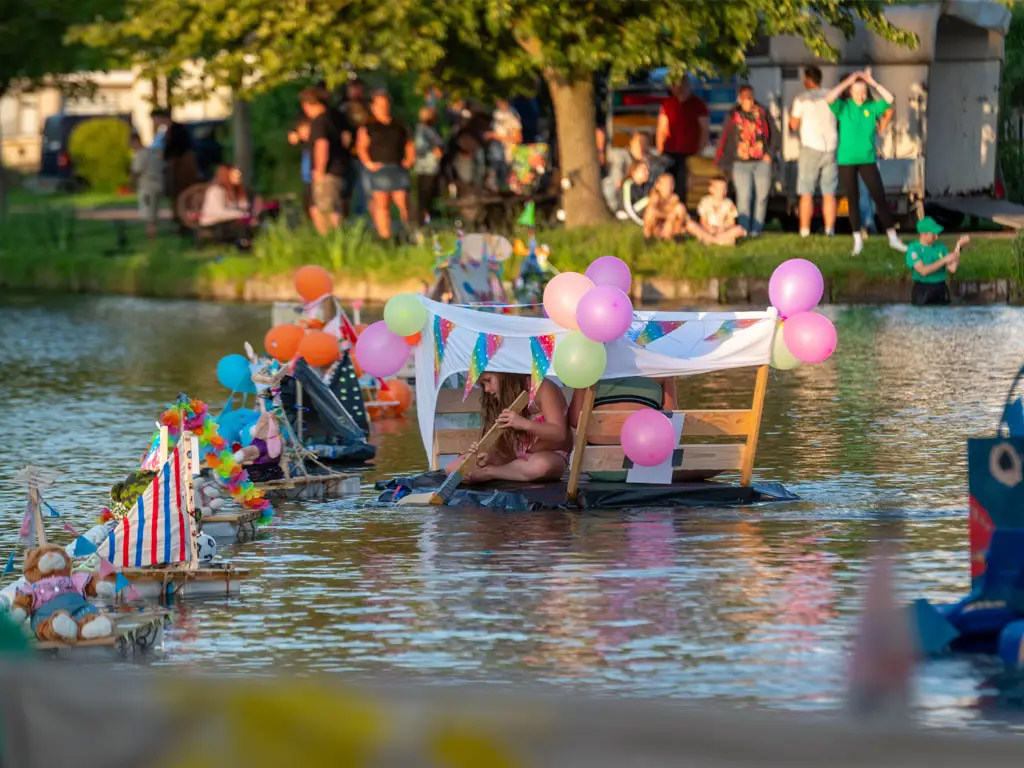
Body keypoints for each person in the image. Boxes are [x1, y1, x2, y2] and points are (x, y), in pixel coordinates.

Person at [826, 69, 907, 255]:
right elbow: (829, 98)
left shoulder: (871, 107)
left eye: (863, 92)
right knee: (852, 200)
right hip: (847, 160)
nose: (861, 96)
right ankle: (857, 240)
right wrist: (849, 82)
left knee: (879, 197)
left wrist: (873, 83)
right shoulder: (844, 108)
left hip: (867, 160)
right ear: (851, 93)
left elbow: (889, 100)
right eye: (857, 92)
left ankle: (893, 238)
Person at [453, 373, 572, 483]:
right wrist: (487, 455)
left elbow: (559, 433)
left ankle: (489, 472)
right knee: (454, 468)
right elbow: (503, 447)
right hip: (513, 456)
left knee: (541, 466)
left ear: (505, 374)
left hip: (549, 454)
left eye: (488, 380)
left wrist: (524, 424)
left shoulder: (543, 387)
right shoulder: (498, 398)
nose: (486, 389)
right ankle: (500, 470)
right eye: (483, 384)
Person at [568, 378, 676, 482]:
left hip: (602, 466)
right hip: (649, 469)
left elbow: (576, 421)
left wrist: (580, 384)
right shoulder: (661, 371)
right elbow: (673, 420)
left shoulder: (592, 372)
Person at [715, 84, 777, 237]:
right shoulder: (733, 115)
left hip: (761, 160)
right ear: (739, 99)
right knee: (744, 197)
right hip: (740, 162)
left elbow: (775, 134)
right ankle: (744, 230)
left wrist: (770, 153)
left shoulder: (762, 113)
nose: (747, 100)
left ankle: (756, 229)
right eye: (744, 97)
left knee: (761, 196)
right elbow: (725, 137)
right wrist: (721, 159)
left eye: (750, 97)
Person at [356, 90, 415, 241]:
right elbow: (361, 147)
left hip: (397, 167)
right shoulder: (368, 126)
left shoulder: (399, 124)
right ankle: (385, 237)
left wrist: (409, 159)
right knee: (381, 204)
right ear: (373, 106)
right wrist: (368, 163)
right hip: (379, 168)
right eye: (379, 105)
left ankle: (410, 233)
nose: (383, 108)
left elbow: (409, 143)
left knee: (404, 201)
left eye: (385, 104)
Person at [789, 66, 838, 238]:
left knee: (806, 191)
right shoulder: (831, 96)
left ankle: (804, 231)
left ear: (808, 80)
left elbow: (793, 125)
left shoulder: (802, 99)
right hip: (831, 147)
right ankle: (829, 230)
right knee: (829, 192)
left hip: (810, 146)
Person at [300, 86, 348, 234]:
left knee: (325, 209)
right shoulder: (332, 119)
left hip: (326, 173)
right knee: (326, 206)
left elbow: (322, 145)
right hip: (338, 170)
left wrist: (319, 169)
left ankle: (330, 241)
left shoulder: (319, 122)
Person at [655, 77, 709, 202]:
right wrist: (660, 149)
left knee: (682, 183)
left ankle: (681, 210)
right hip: (669, 149)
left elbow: (704, 129)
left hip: (689, 151)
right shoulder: (667, 104)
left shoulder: (698, 104)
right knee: (667, 181)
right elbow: (662, 128)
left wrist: (700, 150)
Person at [152, 109, 199, 233]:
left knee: (183, 194)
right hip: (175, 166)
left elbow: (178, 150)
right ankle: (180, 221)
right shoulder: (167, 132)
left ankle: (186, 221)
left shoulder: (177, 130)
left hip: (181, 167)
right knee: (176, 194)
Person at [906, 216, 968, 305]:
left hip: (941, 287)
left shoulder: (941, 247)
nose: (936, 237)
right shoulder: (914, 249)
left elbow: (952, 268)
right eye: (933, 234)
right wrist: (943, 261)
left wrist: (958, 247)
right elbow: (923, 271)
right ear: (924, 234)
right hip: (923, 289)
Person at [198, 164, 255, 248]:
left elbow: (244, 207)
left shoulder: (236, 190)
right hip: (215, 224)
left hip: (229, 222)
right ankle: (243, 244)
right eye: (235, 175)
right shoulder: (215, 191)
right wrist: (240, 214)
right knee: (240, 225)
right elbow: (219, 213)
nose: (239, 177)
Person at [342, 77, 371, 217]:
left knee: (364, 189)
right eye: (353, 89)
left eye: (358, 89)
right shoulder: (343, 108)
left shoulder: (368, 107)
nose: (356, 92)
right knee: (346, 188)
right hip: (348, 154)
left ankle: (362, 216)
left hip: (365, 153)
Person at [414, 106, 444, 225]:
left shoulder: (431, 129)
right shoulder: (422, 130)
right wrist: (434, 149)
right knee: (424, 197)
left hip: (433, 167)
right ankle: (422, 222)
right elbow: (420, 147)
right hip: (425, 168)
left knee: (431, 196)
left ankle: (429, 220)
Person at [130, 133, 163, 239]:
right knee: (154, 212)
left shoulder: (140, 154)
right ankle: (152, 234)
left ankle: (151, 236)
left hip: (147, 187)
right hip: (158, 184)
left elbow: (136, 171)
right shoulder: (152, 153)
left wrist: (131, 183)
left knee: (148, 214)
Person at [697, 176, 747, 246]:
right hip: (709, 229)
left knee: (739, 229)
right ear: (711, 189)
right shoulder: (705, 202)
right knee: (696, 227)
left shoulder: (729, 203)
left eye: (725, 188)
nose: (722, 191)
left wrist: (723, 227)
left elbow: (731, 222)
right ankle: (719, 240)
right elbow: (703, 221)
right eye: (719, 189)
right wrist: (710, 227)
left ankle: (712, 240)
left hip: (723, 230)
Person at [287, 117, 314, 220]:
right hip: (307, 179)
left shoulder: (316, 140)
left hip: (315, 177)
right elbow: (292, 139)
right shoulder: (306, 144)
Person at [621, 160, 653, 226]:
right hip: (627, 216)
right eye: (644, 170)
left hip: (639, 214)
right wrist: (640, 222)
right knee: (650, 200)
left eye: (647, 170)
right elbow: (628, 208)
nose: (647, 172)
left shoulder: (647, 185)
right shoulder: (628, 184)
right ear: (634, 172)